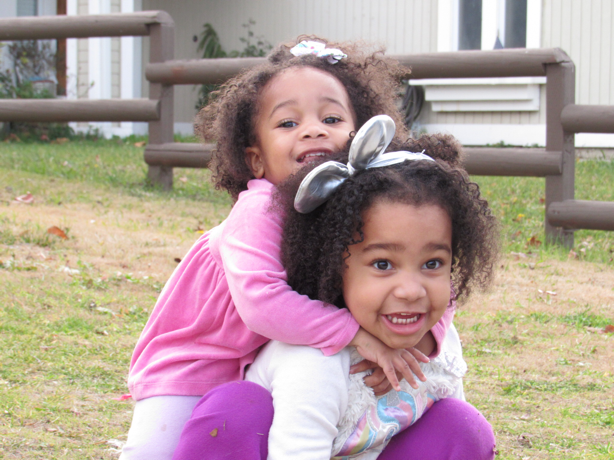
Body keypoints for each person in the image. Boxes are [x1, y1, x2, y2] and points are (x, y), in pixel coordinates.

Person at [120, 38, 454, 460]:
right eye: (287, 123)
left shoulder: (367, 202)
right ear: (256, 160)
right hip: (199, 362)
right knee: (156, 452)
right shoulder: (259, 210)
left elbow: (432, 270)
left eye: (331, 118)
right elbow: (263, 303)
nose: (313, 130)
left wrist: (421, 341)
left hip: (275, 358)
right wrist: (357, 335)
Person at [172, 117, 499, 460]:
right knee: (234, 411)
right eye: (382, 264)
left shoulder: (438, 342)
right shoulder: (315, 364)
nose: (410, 291)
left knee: (461, 426)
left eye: (432, 264)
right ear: (334, 268)